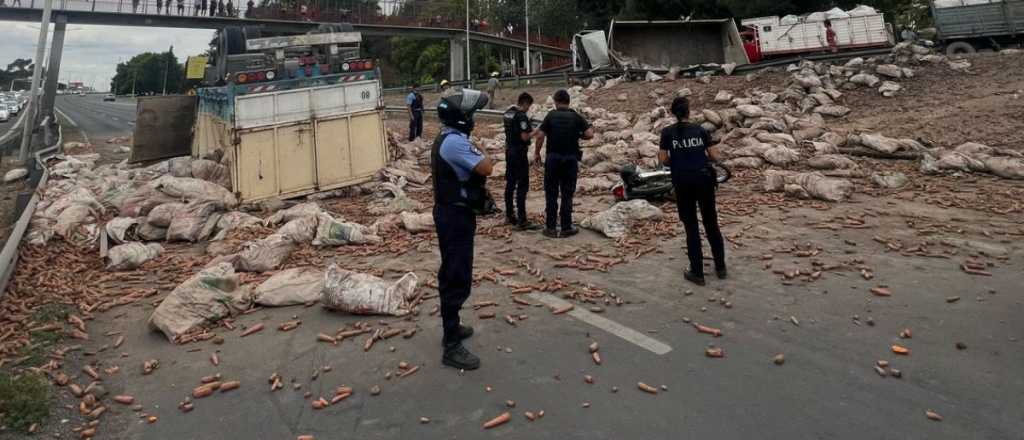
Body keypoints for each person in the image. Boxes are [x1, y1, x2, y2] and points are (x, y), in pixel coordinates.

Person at [432, 90, 492, 370]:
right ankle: (451, 344)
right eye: (471, 115)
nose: (474, 119)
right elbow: (486, 167)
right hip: (455, 215)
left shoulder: (447, 138)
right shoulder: (455, 144)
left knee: (454, 270)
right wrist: (480, 150)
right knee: (456, 275)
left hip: (453, 212)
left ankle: (452, 327)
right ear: (461, 118)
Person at [658, 96, 726, 286]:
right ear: (689, 112)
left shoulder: (667, 133)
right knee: (711, 222)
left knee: (691, 226)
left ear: (673, 113)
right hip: (704, 179)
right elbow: (713, 155)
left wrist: (680, 163)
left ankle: (697, 272)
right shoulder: (700, 130)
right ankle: (720, 267)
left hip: (683, 181)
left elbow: (663, 159)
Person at [533, 90, 593, 238]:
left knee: (551, 193)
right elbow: (590, 134)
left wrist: (536, 153)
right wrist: (576, 134)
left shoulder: (551, 116)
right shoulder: (575, 116)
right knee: (567, 193)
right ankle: (566, 227)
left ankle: (550, 227)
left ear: (556, 101)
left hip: (553, 160)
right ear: (568, 101)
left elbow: (540, 136)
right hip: (570, 160)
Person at [502, 92, 538, 230]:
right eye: (529, 105)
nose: (529, 108)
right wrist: (536, 131)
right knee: (522, 185)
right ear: (526, 103)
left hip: (509, 151)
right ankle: (522, 220)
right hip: (519, 153)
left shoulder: (508, 113)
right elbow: (524, 137)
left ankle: (510, 214)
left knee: (510, 183)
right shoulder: (521, 116)